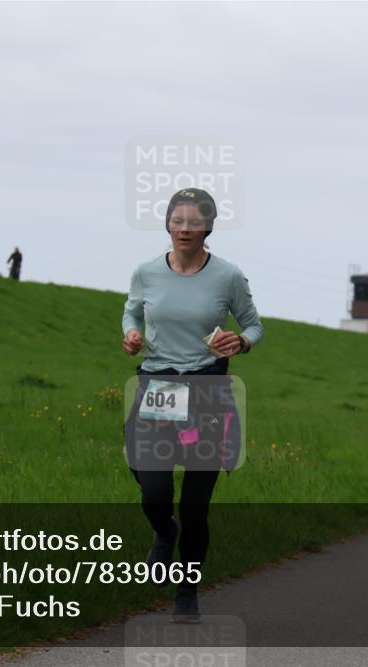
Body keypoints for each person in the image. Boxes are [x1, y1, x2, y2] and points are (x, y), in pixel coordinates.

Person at [121, 187, 263, 623]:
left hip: (206, 390)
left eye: (194, 222)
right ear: (167, 224)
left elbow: (255, 326)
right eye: (177, 220)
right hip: (158, 386)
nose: (185, 229)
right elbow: (131, 312)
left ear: (209, 227)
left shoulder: (228, 276)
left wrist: (239, 342)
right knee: (154, 491)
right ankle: (164, 534)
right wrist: (130, 334)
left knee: (195, 505)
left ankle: (187, 591)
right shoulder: (146, 272)